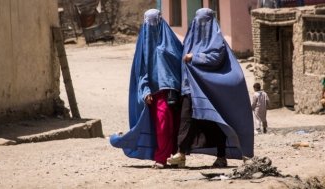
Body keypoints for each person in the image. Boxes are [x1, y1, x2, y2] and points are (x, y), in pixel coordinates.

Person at [167, 8, 254, 168]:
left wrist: (196, 57)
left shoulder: (217, 41)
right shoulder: (189, 39)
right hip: (189, 87)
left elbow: (216, 58)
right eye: (198, 20)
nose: (201, 24)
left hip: (208, 90)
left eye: (204, 21)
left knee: (214, 123)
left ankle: (222, 156)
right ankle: (182, 154)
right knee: (187, 120)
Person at [109, 9, 183, 169]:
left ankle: (175, 157)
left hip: (173, 91)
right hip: (155, 93)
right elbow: (140, 69)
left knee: (174, 125)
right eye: (148, 23)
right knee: (162, 125)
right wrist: (145, 90)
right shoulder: (143, 44)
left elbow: (180, 60)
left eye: (154, 21)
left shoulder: (171, 40)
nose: (152, 26)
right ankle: (161, 158)